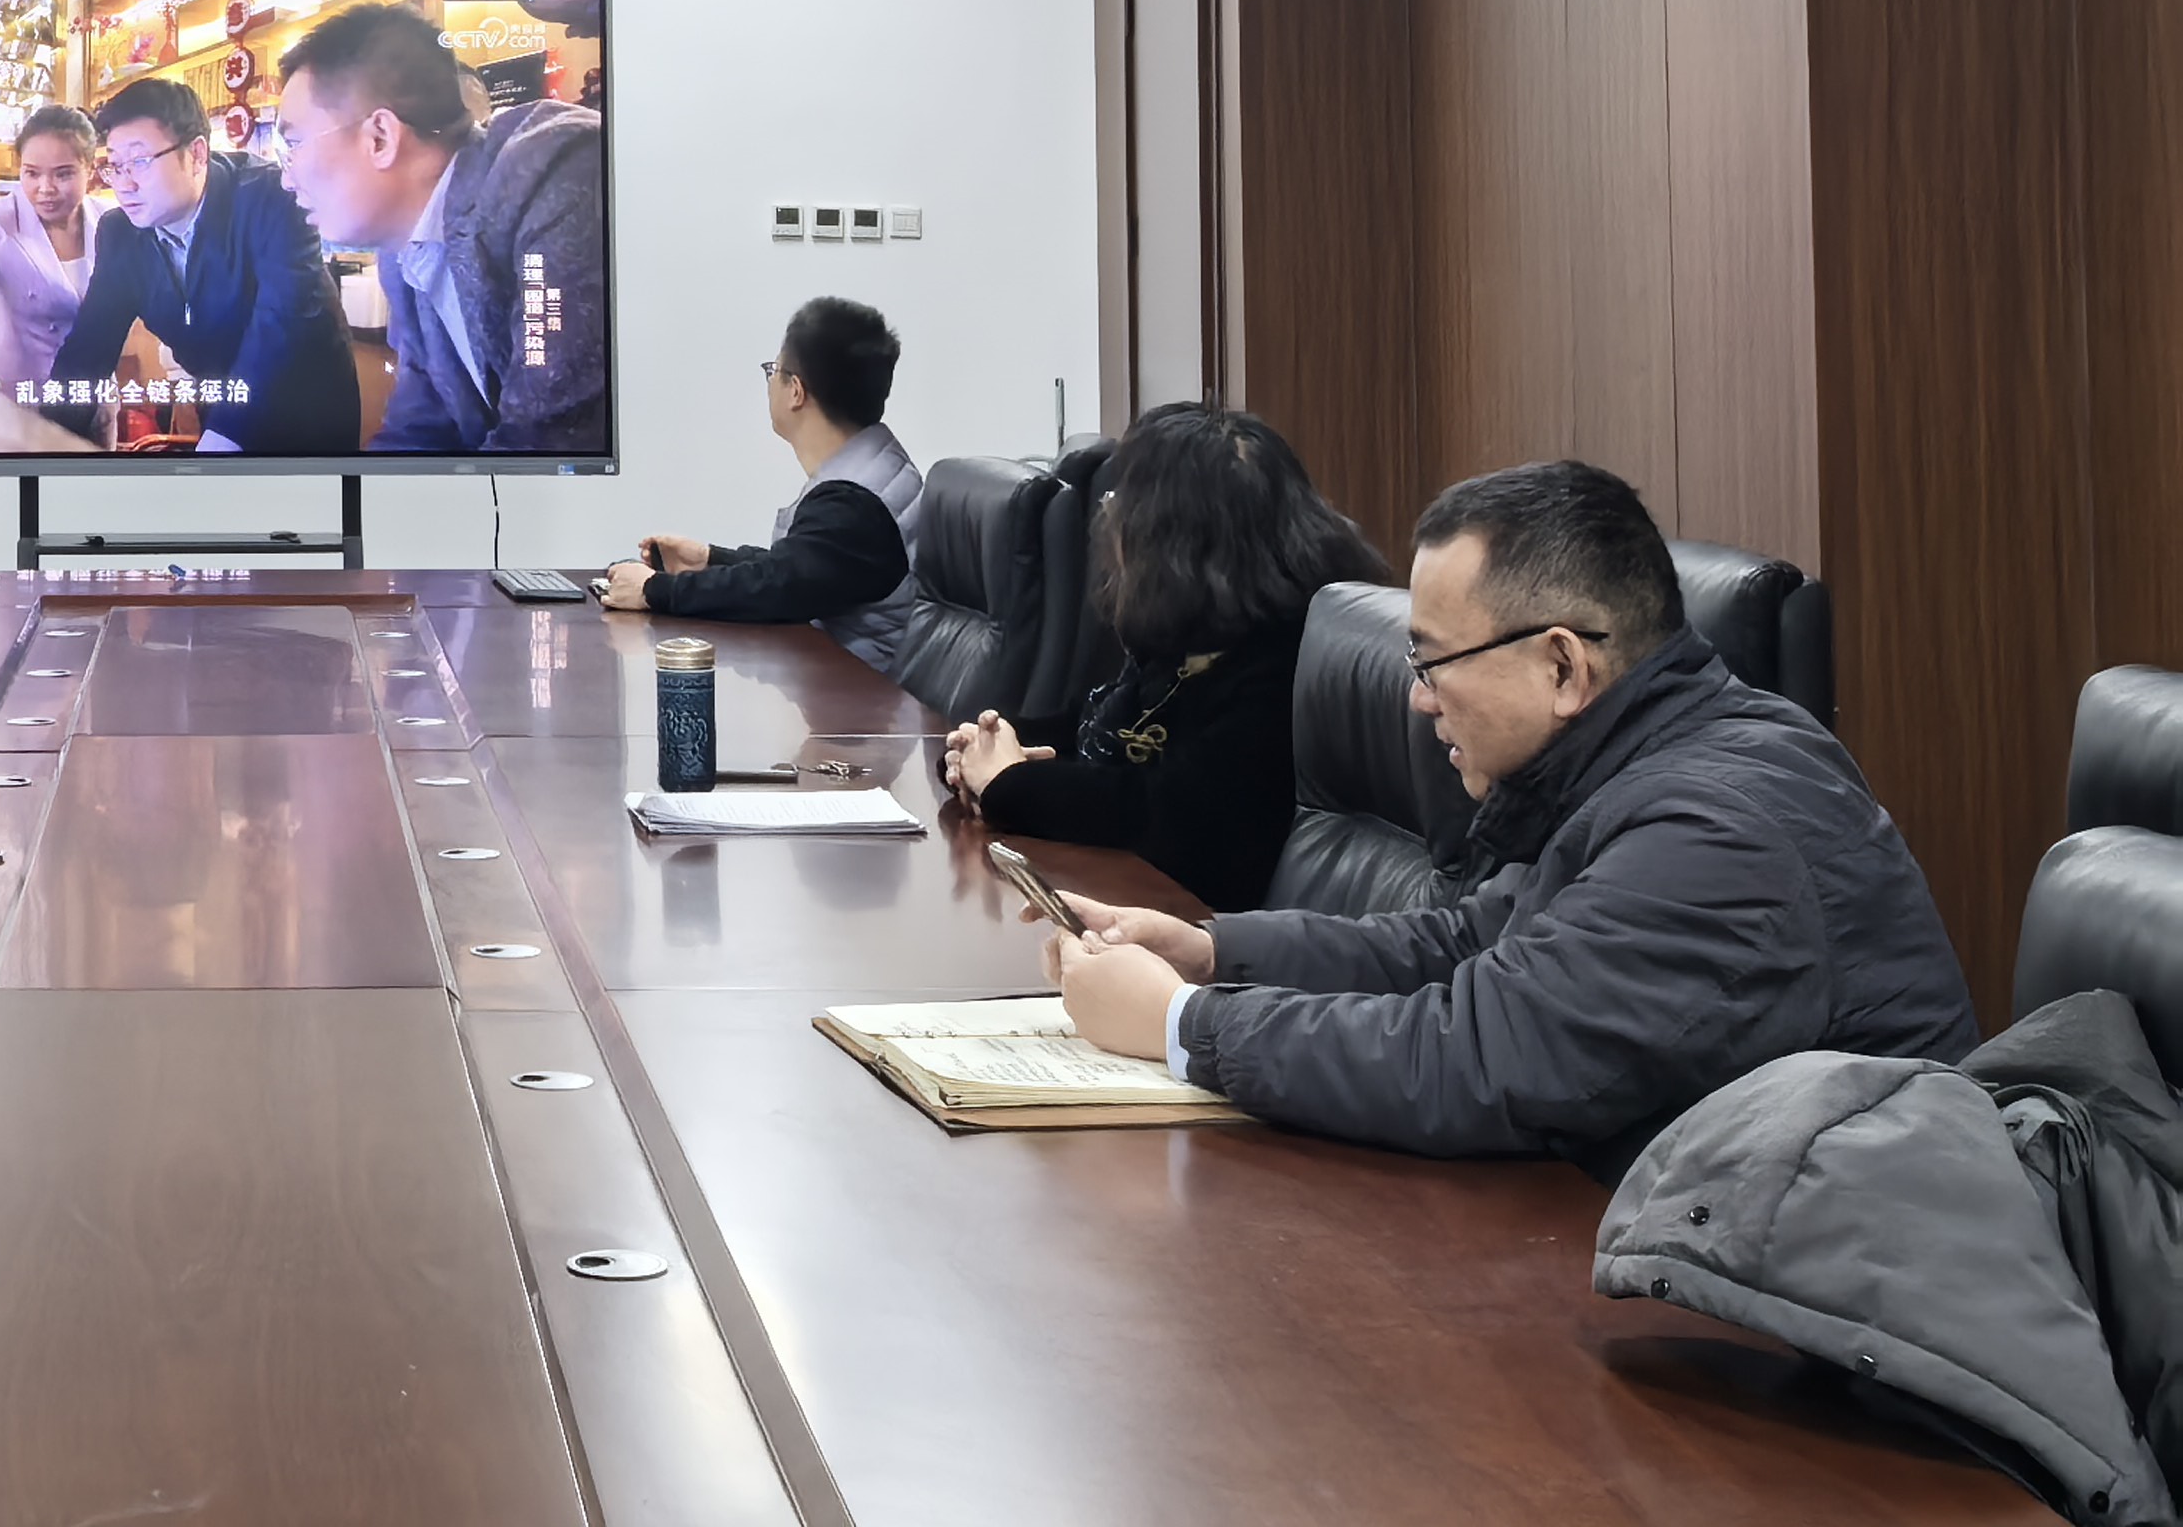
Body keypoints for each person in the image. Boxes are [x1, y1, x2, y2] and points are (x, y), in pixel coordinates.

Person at [1046, 459, 1977, 1177]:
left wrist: (1183, 1024)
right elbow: (1467, 943)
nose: (1420, 699)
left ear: (1563, 667)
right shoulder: (1638, 763)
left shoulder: (1715, 832)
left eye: (1432, 663)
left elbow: (1477, 1060)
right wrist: (1213, 952)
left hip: (1825, 1331)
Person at [941, 403, 1379, 912]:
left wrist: (1010, 784)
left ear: (1174, 538)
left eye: (1120, 502)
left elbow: (1169, 817)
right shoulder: (1191, 635)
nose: (1110, 517)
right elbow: (1096, 733)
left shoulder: (1284, 664)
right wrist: (988, 744)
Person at [273, 0, 608, 457]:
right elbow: (420, 429)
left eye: (293, 144)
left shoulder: (554, 175)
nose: (286, 179)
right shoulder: (403, 253)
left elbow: (552, 444)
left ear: (380, 137)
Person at [599, 297, 925, 672]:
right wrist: (708, 559)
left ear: (796, 391)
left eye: (775, 370)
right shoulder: (873, 468)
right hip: (840, 679)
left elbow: (779, 587)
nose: (771, 382)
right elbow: (804, 568)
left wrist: (652, 590)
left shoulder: (853, 503)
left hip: (856, 697)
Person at [44, 76, 361, 457]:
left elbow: (281, 325)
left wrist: (223, 437)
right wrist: (42, 439)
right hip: (224, 405)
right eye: (115, 165)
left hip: (309, 411)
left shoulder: (271, 198)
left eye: (140, 162)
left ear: (196, 154)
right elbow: (90, 345)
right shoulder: (120, 232)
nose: (124, 184)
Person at [0, 105, 104, 390]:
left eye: (63, 174)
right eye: (32, 173)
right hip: (19, 399)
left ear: (90, 170)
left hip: (91, 397)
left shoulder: (110, 221)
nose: (45, 188)